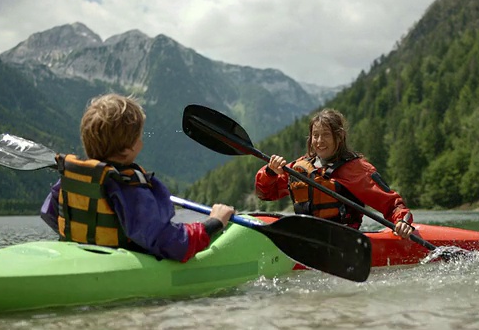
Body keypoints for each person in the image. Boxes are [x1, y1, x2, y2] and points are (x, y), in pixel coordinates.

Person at [40, 93, 235, 262]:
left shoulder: (74, 180)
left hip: (81, 258)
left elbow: (50, 214)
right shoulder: (129, 188)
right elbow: (171, 243)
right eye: (139, 137)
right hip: (119, 265)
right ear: (130, 148)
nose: (141, 141)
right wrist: (213, 223)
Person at [255, 108, 416, 239]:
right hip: (306, 237)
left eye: (325, 135)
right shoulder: (300, 167)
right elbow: (265, 194)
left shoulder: (357, 169)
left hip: (344, 238)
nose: (319, 141)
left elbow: (391, 204)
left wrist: (402, 221)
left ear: (339, 137)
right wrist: (270, 172)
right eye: (315, 135)